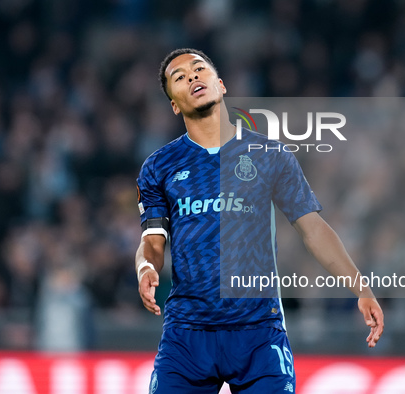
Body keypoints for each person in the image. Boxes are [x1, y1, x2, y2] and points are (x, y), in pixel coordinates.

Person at [135, 48, 384, 394]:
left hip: (258, 334)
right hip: (186, 336)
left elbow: (313, 229)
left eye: (198, 69)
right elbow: (152, 240)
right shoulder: (158, 167)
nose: (192, 76)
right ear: (175, 105)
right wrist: (146, 268)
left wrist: (361, 287)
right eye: (179, 77)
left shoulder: (270, 156)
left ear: (220, 85)